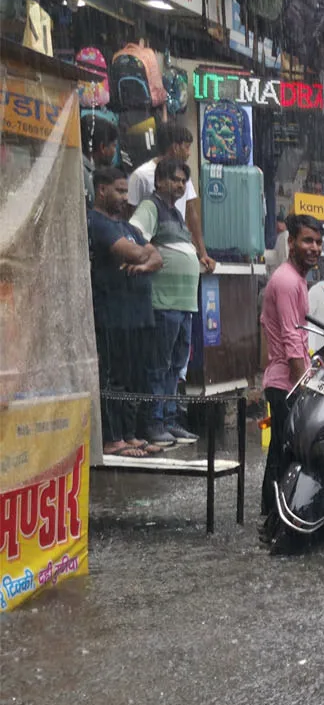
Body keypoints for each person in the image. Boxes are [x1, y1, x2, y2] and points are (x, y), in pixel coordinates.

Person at [89, 168, 164, 457]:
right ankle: (112, 438)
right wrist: (143, 255)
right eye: (119, 191)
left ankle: (130, 434)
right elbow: (134, 252)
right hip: (112, 314)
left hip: (138, 315)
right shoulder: (97, 222)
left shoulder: (128, 228)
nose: (124, 197)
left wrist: (144, 263)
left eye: (125, 191)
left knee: (134, 377)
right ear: (102, 190)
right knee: (112, 377)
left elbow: (156, 256)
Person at [128, 157, 201, 444]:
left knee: (175, 367)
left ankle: (170, 420)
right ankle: (152, 423)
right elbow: (134, 235)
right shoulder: (151, 206)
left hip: (184, 305)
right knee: (158, 366)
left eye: (183, 181)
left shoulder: (178, 215)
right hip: (163, 302)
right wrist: (151, 260)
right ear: (159, 181)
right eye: (175, 179)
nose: (180, 185)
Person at [260, 215, 324, 537]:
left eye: (317, 242)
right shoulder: (286, 281)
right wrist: (304, 388)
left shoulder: (297, 280)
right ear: (291, 243)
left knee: (283, 450)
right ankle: (275, 516)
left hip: (288, 379)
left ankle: (272, 514)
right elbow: (289, 340)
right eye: (307, 241)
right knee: (286, 451)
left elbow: (300, 336)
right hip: (286, 382)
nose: (313, 248)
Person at [127, 122, 214, 275]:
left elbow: (191, 212)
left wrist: (203, 253)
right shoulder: (141, 176)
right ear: (175, 147)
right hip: (155, 261)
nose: (189, 153)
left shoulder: (183, 176)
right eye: (186, 147)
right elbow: (131, 218)